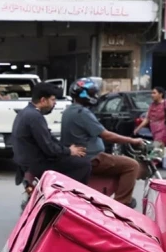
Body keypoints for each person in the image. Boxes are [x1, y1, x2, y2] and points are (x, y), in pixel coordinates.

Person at [61, 78, 144, 208]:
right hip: (93, 158)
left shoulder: (69, 110)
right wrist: (132, 140)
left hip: (80, 157)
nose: (95, 95)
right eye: (93, 93)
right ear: (85, 95)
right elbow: (106, 135)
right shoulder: (82, 113)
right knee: (132, 165)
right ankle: (122, 204)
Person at [12, 82, 91, 184]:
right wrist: (69, 151)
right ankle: (63, 190)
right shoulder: (35, 117)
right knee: (84, 164)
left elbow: (48, 138)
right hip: (37, 164)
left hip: (27, 162)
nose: (54, 103)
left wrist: (66, 149)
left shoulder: (25, 112)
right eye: (53, 100)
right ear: (43, 100)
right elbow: (49, 148)